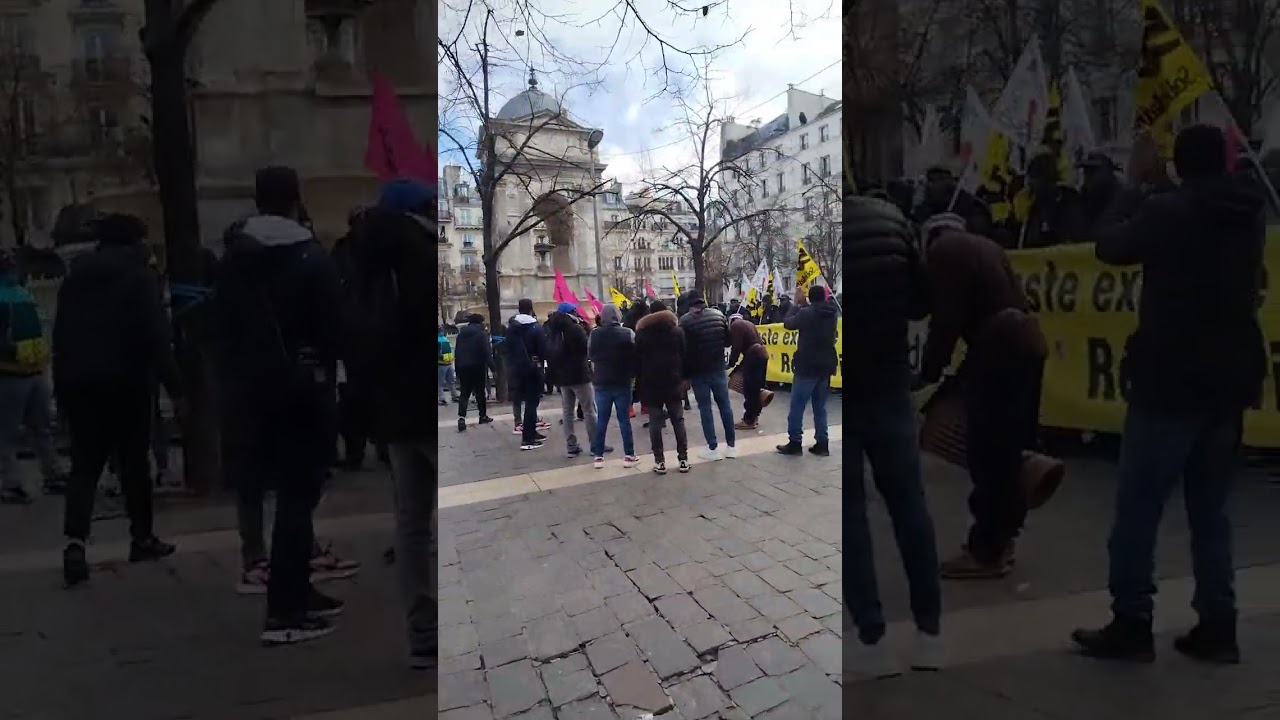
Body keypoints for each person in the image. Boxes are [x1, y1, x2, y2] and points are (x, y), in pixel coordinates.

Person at [1071, 127, 1266, 664]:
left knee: (1139, 506)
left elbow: (1110, 244)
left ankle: (1132, 620)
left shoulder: (1167, 212)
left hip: (1170, 373)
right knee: (1212, 510)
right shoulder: (1248, 213)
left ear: (1179, 164)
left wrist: (1132, 185)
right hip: (1229, 374)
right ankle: (1218, 622)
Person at [213, 167, 347, 643]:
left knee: (277, 495)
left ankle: (295, 589)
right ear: (296, 200)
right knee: (297, 497)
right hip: (299, 391)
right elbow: (334, 329)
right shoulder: (309, 256)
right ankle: (285, 613)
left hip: (247, 392)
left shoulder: (234, 257)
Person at [53, 213, 182, 587]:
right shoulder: (139, 277)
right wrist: (176, 386)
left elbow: (61, 334)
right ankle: (141, 537)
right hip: (127, 380)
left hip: (79, 383)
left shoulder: (75, 278)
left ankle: (75, 541)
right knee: (134, 462)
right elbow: (156, 335)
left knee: (85, 464)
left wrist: (62, 388)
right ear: (133, 242)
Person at [917, 212, 1047, 579]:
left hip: (999, 348)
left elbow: (947, 318)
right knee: (1010, 449)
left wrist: (929, 370)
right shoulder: (988, 246)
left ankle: (987, 550)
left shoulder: (945, 250)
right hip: (1026, 343)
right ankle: (1003, 540)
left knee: (988, 453)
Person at [342, 177, 437, 669]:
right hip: (421, 402)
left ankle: (422, 633)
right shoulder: (419, 254)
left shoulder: (364, 261)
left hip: (391, 406)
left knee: (411, 526)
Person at [846, 194, 943, 676]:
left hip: (849, 388)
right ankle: (930, 635)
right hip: (889, 380)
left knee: (850, 521)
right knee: (910, 508)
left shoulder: (829, 228)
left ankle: (873, 641)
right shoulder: (894, 219)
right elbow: (923, 299)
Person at [0, 251, 68, 504]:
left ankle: (11, 484)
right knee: (40, 430)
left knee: (4, 435)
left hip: (7, 374)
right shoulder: (24, 294)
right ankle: (53, 474)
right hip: (36, 371)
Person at [776, 285, 840, 456]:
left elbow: (788, 323)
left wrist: (796, 304)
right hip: (826, 364)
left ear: (810, 298)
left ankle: (795, 442)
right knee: (820, 407)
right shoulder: (832, 313)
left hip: (807, 365)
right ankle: (822, 443)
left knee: (797, 406)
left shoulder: (806, 313)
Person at [678, 290, 736, 460]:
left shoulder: (685, 321)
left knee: (705, 408)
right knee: (725, 405)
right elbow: (728, 340)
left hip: (698, 371)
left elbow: (683, 351)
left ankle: (713, 448)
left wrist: (685, 375)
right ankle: (731, 446)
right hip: (718, 367)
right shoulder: (718, 315)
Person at [635, 300, 688, 474]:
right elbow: (684, 356)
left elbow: (637, 361)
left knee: (655, 423)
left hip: (651, 383)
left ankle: (660, 461)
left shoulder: (642, 334)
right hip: (673, 380)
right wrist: (684, 378)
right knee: (678, 421)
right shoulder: (677, 332)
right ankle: (683, 459)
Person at [589, 303, 637, 469]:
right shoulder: (627, 333)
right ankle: (629, 455)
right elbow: (635, 354)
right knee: (624, 419)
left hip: (601, 382)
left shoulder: (594, 334)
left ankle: (598, 457)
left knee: (602, 419)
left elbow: (591, 355)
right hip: (622, 381)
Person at [545, 303, 597, 458]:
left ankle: (571, 445)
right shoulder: (575, 328)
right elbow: (586, 348)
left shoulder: (553, 329)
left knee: (567, 412)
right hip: (579, 374)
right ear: (571, 312)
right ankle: (595, 444)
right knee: (589, 410)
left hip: (562, 376)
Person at [506, 299, 547, 450]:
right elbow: (543, 350)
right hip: (532, 369)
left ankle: (531, 432)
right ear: (531, 309)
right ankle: (528, 438)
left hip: (516, 369)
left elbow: (507, 348)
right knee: (532, 402)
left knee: (525, 401)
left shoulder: (511, 328)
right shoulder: (536, 328)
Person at [728, 313, 769, 431]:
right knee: (757, 388)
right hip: (762, 354)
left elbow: (736, 347)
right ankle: (754, 417)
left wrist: (731, 363)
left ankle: (749, 419)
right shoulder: (749, 324)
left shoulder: (736, 325)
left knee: (750, 389)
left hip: (753, 356)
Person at [454, 314, 494, 432]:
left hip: (463, 367)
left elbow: (457, 352)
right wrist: (493, 368)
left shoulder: (461, 335)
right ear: (479, 322)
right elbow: (487, 352)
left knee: (464, 393)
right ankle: (482, 416)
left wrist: (457, 369)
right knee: (480, 392)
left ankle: (461, 417)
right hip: (478, 366)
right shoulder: (481, 334)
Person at [437, 327, 458, 405]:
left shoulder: (441, 339)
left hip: (442, 364)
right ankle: (453, 396)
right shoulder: (445, 339)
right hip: (447, 363)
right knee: (450, 382)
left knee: (441, 383)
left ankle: (442, 398)